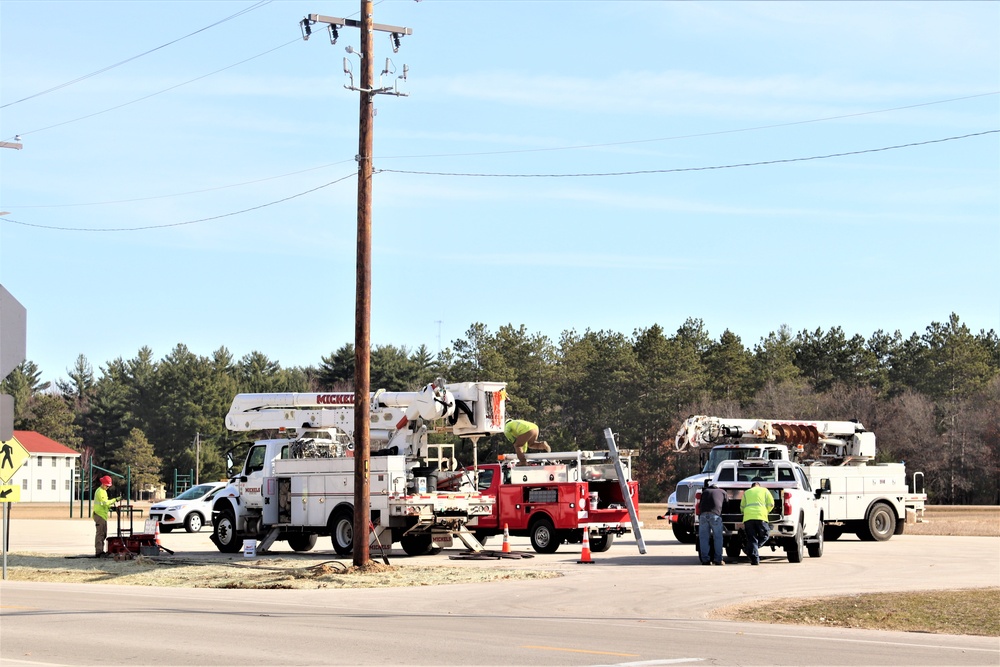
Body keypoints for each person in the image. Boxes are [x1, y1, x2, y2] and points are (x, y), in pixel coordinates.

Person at [740, 481, 774, 565]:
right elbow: (771, 504)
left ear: (752, 487)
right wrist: (766, 511)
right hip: (761, 516)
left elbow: (742, 506)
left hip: (748, 518)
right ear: (759, 486)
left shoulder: (747, 492)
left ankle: (754, 559)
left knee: (752, 539)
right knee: (765, 535)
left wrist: (744, 513)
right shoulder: (765, 490)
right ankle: (750, 549)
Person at [697, 479, 727, 565]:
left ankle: (705, 560)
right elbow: (726, 505)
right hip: (715, 516)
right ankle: (718, 559)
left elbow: (700, 503)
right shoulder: (722, 492)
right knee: (717, 538)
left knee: (703, 538)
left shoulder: (705, 491)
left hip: (703, 516)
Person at [93, 476, 120, 558]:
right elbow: (105, 503)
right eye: (107, 485)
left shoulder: (103, 491)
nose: (108, 487)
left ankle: (101, 551)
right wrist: (115, 500)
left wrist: (110, 508)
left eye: (109, 486)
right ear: (103, 484)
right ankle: (99, 552)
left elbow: (104, 505)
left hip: (102, 515)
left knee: (103, 534)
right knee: (100, 533)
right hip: (99, 515)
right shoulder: (100, 491)